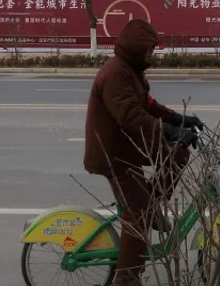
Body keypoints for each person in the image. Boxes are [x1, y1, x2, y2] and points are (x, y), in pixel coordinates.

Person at [83, 18, 204, 286]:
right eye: (149, 49)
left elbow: (148, 105)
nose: (153, 54)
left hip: (128, 149)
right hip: (113, 156)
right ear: (137, 47)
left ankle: (153, 205)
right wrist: (168, 130)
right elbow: (129, 115)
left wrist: (179, 120)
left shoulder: (132, 71)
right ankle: (126, 279)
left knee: (179, 152)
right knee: (138, 215)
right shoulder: (115, 73)